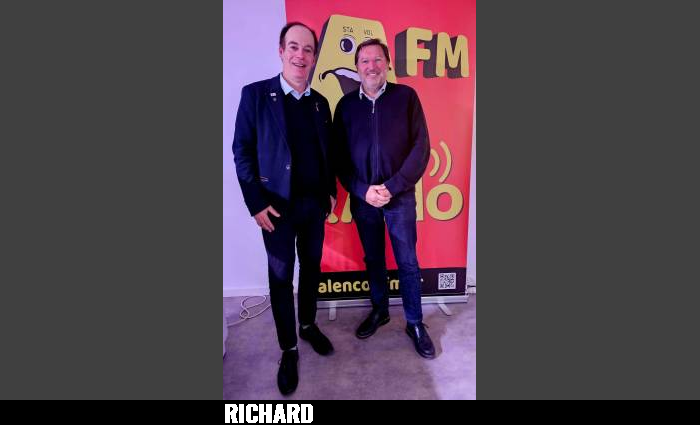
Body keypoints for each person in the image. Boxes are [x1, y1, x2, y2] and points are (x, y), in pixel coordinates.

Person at [232, 22, 337, 395]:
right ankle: (288, 349)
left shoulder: (321, 102)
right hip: (275, 209)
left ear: (314, 56)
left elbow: (327, 154)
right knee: (280, 278)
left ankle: (307, 325)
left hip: (313, 207)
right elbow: (242, 151)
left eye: (308, 49)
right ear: (281, 51)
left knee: (311, 268)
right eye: (294, 47)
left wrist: (330, 192)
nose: (300, 55)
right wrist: (255, 203)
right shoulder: (256, 95)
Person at [333, 38, 435, 358]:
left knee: (407, 261)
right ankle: (380, 310)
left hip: (399, 197)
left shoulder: (406, 97)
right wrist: (363, 190)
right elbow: (339, 158)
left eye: (377, 59)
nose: (371, 66)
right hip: (364, 199)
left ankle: (414, 322)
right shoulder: (346, 106)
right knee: (374, 259)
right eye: (365, 61)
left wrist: (392, 187)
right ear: (357, 67)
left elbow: (421, 148)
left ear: (388, 63)